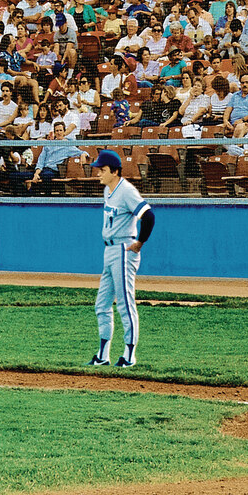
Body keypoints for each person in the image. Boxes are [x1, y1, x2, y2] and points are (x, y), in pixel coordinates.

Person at [90, 147, 144, 369]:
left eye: (101, 169)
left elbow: (148, 215)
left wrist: (139, 242)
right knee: (101, 304)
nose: (97, 173)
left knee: (125, 303)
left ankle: (129, 355)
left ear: (114, 171)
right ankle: (103, 355)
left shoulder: (127, 191)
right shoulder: (108, 190)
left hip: (124, 249)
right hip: (110, 250)